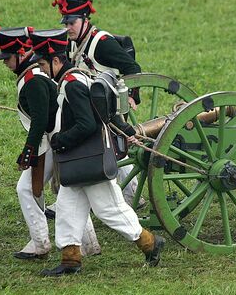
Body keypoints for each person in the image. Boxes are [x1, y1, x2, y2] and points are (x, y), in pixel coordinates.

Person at [30, 33, 165, 276]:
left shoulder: (72, 84)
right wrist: (127, 130)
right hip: (79, 161)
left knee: (109, 210)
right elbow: (104, 111)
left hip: (88, 158)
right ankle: (70, 260)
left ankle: (151, 244)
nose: (42, 70)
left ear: (57, 62)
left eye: (42, 64)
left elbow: (88, 124)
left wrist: (60, 140)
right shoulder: (79, 77)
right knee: (67, 207)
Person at [0, 25, 100, 259]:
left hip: (54, 141)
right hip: (54, 139)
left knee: (27, 189)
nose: (4, 62)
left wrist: (28, 151)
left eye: (7, 58)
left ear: (21, 54)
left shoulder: (33, 80)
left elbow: (41, 120)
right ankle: (90, 245)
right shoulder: (32, 75)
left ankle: (40, 243)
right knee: (71, 190)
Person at [51, 0, 142, 208]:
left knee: (116, 148)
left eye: (72, 23)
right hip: (88, 103)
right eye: (66, 23)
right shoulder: (73, 41)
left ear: (85, 20)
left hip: (108, 104)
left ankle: (131, 194)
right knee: (112, 148)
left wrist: (132, 95)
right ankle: (130, 193)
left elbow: (132, 67)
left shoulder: (102, 42)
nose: (67, 28)